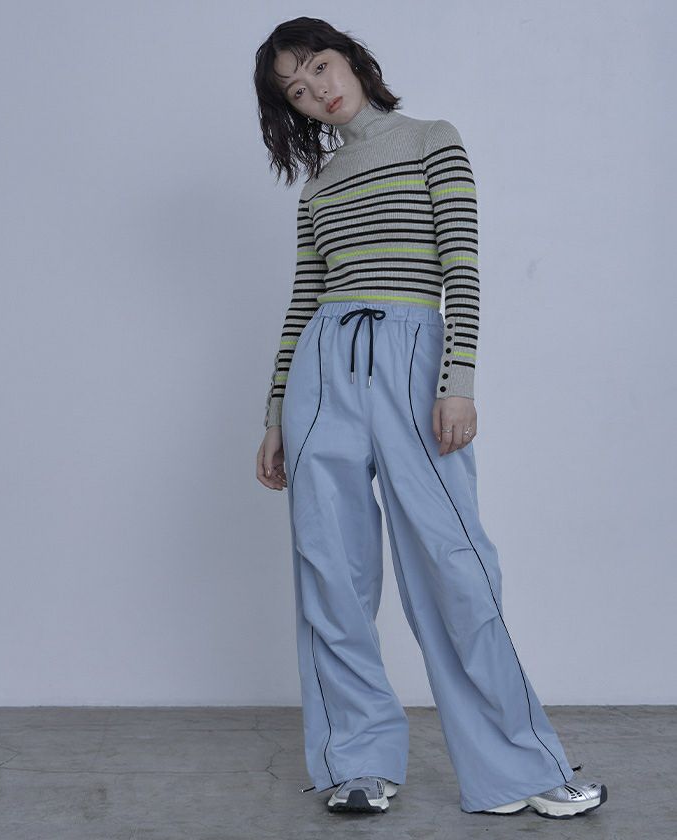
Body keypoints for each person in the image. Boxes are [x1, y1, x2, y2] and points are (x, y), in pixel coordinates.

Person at [253, 17, 607, 819]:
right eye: (297, 90)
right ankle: (357, 761)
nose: (316, 90)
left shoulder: (430, 140)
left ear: (351, 58)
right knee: (330, 572)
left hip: (413, 358)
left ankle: (520, 768)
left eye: (320, 66)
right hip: (322, 371)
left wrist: (459, 382)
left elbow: (461, 265)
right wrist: (275, 414)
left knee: (456, 565)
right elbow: (303, 301)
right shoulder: (318, 186)